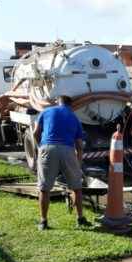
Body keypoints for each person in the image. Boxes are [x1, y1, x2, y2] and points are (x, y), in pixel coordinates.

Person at [34, 95, 90, 231]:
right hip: (67, 149)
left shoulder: (45, 112)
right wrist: (78, 163)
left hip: (47, 148)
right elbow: (79, 145)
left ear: (57, 103)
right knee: (76, 188)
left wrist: (40, 147)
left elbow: (36, 132)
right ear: (70, 105)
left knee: (44, 188)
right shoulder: (74, 117)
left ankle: (43, 221)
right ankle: (80, 219)